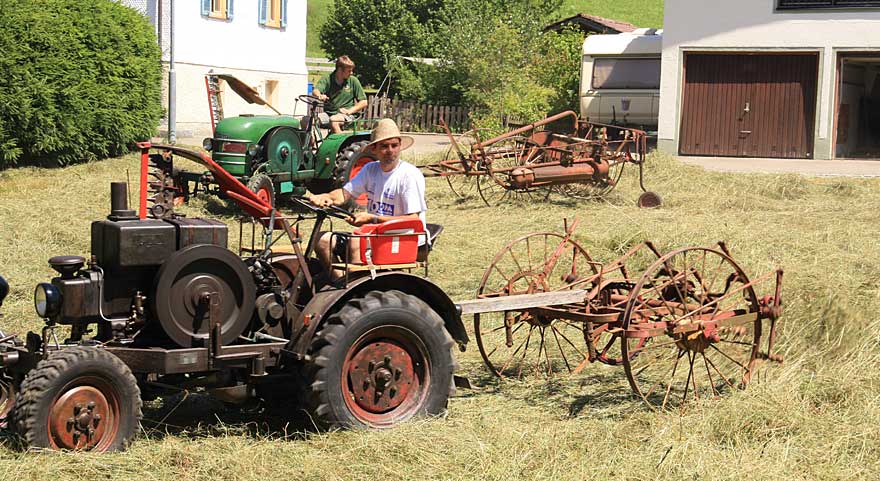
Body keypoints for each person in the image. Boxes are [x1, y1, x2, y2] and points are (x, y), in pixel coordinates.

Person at [308, 118, 426, 276]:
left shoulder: (409, 175)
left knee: (358, 242)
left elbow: (413, 220)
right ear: (375, 149)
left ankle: (358, 289)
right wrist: (326, 197)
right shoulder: (370, 169)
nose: (390, 150)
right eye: (384, 146)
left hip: (403, 238)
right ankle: (340, 284)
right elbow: (344, 194)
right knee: (322, 240)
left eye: (394, 145)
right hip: (375, 235)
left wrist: (372, 219)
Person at [312, 55, 368, 134]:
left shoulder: (353, 80)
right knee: (306, 121)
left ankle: (342, 145)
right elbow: (316, 90)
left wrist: (349, 111)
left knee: (334, 120)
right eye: (349, 71)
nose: (351, 73)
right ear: (340, 70)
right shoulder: (327, 79)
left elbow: (364, 102)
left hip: (347, 116)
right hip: (328, 114)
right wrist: (319, 95)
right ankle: (312, 145)